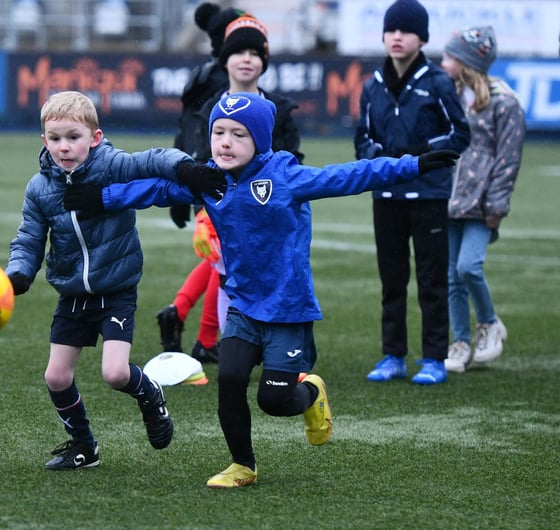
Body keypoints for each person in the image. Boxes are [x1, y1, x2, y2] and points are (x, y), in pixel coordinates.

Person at [65, 92, 460, 487]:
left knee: (274, 401)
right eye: (219, 132)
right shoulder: (211, 181)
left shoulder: (285, 176)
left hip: (288, 309)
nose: (224, 142)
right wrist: (100, 197)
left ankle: (310, 392)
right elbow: (156, 190)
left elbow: (351, 175)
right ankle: (243, 465)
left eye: (238, 134)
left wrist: (415, 165)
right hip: (243, 306)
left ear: (259, 141)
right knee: (230, 380)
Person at [5, 90, 224, 470]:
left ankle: (150, 394)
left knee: (115, 373)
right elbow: (28, 238)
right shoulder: (40, 188)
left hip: (117, 289)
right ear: (44, 141)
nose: (64, 147)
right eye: (55, 139)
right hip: (72, 293)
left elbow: (155, 158)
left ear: (95, 137)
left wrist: (187, 168)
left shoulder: (111, 166)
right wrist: (19, 273)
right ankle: (84, 447)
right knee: (56, 376)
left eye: (73, 137)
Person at [157, 13, 306, 363]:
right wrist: (200, 213)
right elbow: (199, 161)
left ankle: (192, 321)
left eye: (255, 53)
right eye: (239, 52)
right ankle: (214, 338)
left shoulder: (278, 108)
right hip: (221, 206)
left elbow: (293, 160)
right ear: (225, 59)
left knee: (234, 267)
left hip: (266, 209)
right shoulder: (212, 108)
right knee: (224, 264)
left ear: (264, 60)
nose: (247, 59)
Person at [354, 0, 470, 385]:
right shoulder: (372, 86)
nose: (397, 37)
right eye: (391, 30)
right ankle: (393, 356)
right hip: (385, 199)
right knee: (392, 281)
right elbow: (362, 140)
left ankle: (434, 358)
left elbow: (460, 134)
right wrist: (381, 160)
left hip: (430, 197)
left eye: (405, 30)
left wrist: (418, 156)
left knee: (432, 281)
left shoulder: (438, 82)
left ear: (422, 38)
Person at [440, 26, 526, 372]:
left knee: (468, 267)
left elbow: (508, 161)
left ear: (466, 61)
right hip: (448, 201)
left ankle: (489, 324)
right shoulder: (451, 96)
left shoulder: (505, 103)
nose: (443, 62)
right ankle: (460, 343)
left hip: (481, 204)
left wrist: (497, 206)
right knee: (452, 278)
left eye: (449, 56)